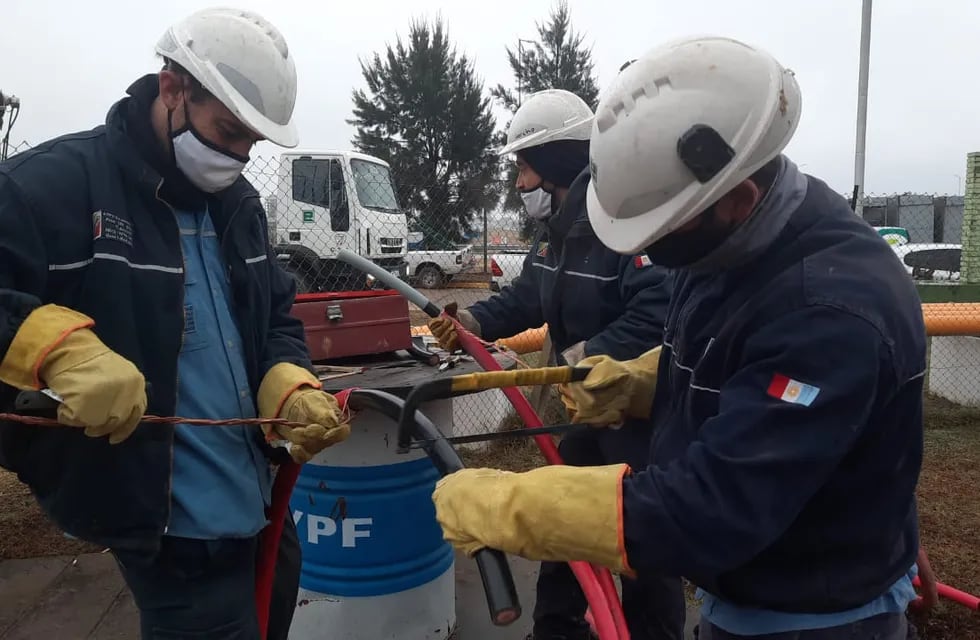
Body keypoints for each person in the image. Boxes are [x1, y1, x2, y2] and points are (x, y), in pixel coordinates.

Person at [431, 36, 929, 639]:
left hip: (810, 615)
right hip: (753, 586)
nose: (648, 251)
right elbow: (724, 353)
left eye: (661, 234)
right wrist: (646, 379)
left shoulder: (829, 312)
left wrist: (517, 506)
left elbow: (710, 511)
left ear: (737, 197)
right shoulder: (733, 241)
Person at [0, 8, 348, 639]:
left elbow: (274, 315)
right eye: (226, 130)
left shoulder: (238, 206)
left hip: (262, 504)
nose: (238, 156)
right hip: (172, 530)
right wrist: (51, 347)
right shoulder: (50, 187)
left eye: (252, 142)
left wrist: (288, 376)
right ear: (171, 89)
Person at [428, 88, 682, 640]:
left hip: (636, 419)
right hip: (583, 414)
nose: (519, 185)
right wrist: (471, 324)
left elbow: (659, 309)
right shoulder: (555, 236)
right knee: (563, 526)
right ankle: (558, 629)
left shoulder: (620, 225)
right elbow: (525, 299)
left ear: (556, 164)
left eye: (523, 168)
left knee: (642, 546)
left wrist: (578, 363)